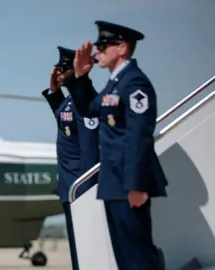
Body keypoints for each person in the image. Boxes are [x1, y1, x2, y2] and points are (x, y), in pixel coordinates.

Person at [69, 20, 168, 269]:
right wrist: (80, 77)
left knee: (138, 256)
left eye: (103, 45)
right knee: (124, 257)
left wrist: (136, 185)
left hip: (128, 184)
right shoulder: (115, 84)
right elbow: (89, 109)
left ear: (122, 48)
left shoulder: (135, 83)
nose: (97, 51)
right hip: (114, 182)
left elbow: (139, 137)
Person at [41, 46, 100, 270]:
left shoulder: (86, 102)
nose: (58, 73)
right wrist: (55, 92)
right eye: (57, 69)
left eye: (63, 69)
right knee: (78, 249)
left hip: (81, 188)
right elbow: (65, 120)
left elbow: (90, 150)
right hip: (69, 187)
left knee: (89, 249)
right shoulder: (71, 102)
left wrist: (87, 192)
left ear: (76, 70)